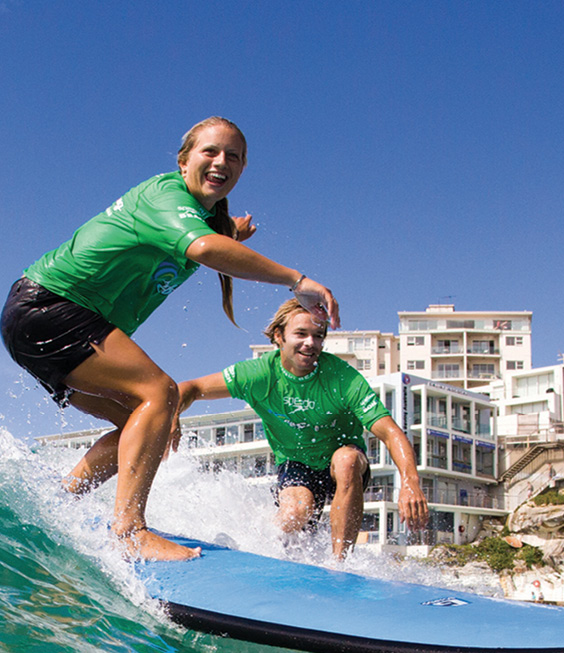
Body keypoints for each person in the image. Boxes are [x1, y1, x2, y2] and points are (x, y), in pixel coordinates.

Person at [1, 117, 339, 561]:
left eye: (234, 157)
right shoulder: (165, 195)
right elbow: (203, 248)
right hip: (51, 307)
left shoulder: (197, 217)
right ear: (183, 162)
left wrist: (232, 231)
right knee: (160, 394)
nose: (222, 162)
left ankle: (64, 500)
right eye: (211, 152)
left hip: (37, 319)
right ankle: (130, 531)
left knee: (141, 425)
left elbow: (212, 238)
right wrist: (297, 280)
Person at [178, 299, 428, 560]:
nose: (310, 342)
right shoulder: (259, 374)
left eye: (318, 336)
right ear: (279, 336)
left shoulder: (341, 377)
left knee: (346, 460)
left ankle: (341, 565)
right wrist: (173, 415)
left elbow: (390, 432)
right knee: (294, 514)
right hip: (296, 463)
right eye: (300, 334)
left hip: (344, 465)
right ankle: (273, 559)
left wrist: (410, 483)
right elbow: (190, 388)